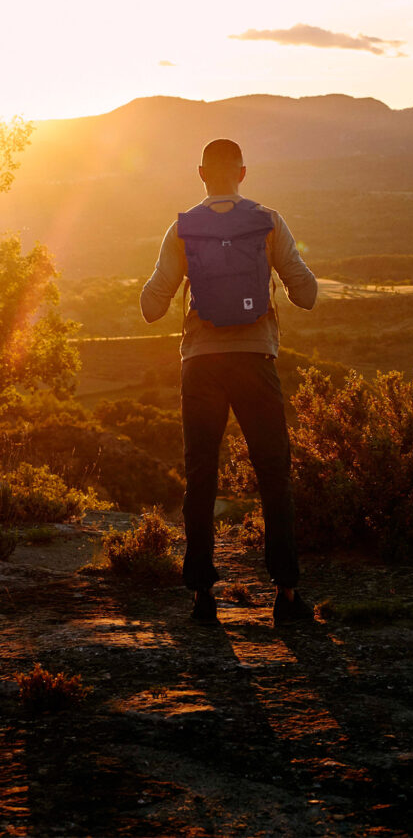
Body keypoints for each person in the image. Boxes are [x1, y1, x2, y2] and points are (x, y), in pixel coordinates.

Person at [140, 138, 318, 625]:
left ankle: (201, 596)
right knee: (273, 473)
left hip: (200, 362)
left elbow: (153, 306)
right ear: (243, 172)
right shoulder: (269, 221)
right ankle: (285, 593)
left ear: (201, 173)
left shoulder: (182, 228)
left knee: (201, 475)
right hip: (255, 359)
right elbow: (306, 293)